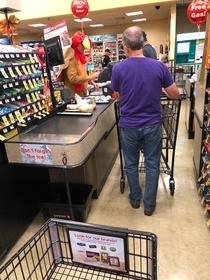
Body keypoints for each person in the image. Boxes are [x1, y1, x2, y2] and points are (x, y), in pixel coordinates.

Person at [111, 26, 180, 216]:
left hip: (129, 125)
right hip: (152, 124)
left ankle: (135, 199)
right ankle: (149, 205)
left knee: (131, 164)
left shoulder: (118, 68)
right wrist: (160, 89)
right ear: (143, 43)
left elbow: (119, 97)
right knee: (152, 164)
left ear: (125, 47)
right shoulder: (159, 66)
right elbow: (175, 95)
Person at [57, 31, 99, 97]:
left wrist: (92, 82)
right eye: (81, 44)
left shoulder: (79, 56)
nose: (84, 47)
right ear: (76, 44)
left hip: (80, 95)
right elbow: (73, 79)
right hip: (73, 97)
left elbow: (83, 74)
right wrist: (91, 77)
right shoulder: (71, 58)